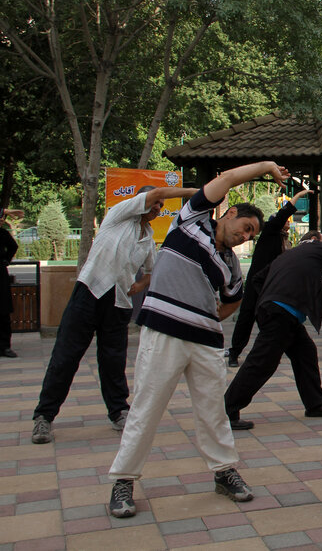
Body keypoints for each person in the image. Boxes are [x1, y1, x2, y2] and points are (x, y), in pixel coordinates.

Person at [106, 160, 287, 519]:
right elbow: (229, 178)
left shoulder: (231, 265)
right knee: (146, 407)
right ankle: (123, 480)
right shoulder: (191, 221)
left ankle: (223, 471)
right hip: (163, 334)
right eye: (245, 227)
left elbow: (233, 301)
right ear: (229, 213)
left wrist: (203, 316)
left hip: (205, 342)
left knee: (213, 411)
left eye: (251, 235)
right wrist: (266, 166)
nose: (245, 236)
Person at [31, 185, 197, 444]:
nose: (157, 207)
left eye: (161, 206)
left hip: (119, 303)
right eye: (155, 203)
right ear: (140, 201)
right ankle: (44, 417)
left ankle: (119, 411)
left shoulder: (148, 237)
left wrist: (138, 286)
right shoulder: (118, 215)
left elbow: (153, 271)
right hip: (89, 293)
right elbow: (152, 195)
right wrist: (192, 193)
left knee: (113, 360)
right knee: (65, 357)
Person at [225, 231, 322, 429]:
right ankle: (227, 409)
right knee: (261, 362)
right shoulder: (318, 246)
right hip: (281, 313)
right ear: (317, 240)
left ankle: (315, 404)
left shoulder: (286, 256)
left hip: (278, 312)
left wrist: (270, 298)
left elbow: (257, 279)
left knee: (306, 353)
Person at [227, 189, 310, 367]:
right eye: (284, 222)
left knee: (268, 319)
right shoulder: (270, 233)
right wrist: (296, 198)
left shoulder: (284, 240)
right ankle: (235, 352)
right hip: (257, 282)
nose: (287, 224)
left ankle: (268, 352)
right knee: (246, 317)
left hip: (271, 285)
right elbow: (282, 215)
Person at [0, 208, 23, 358]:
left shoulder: (2, 233)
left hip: (0, 274)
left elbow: (13, 246)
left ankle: (4, 347)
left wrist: (6, 260)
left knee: (2, 311)